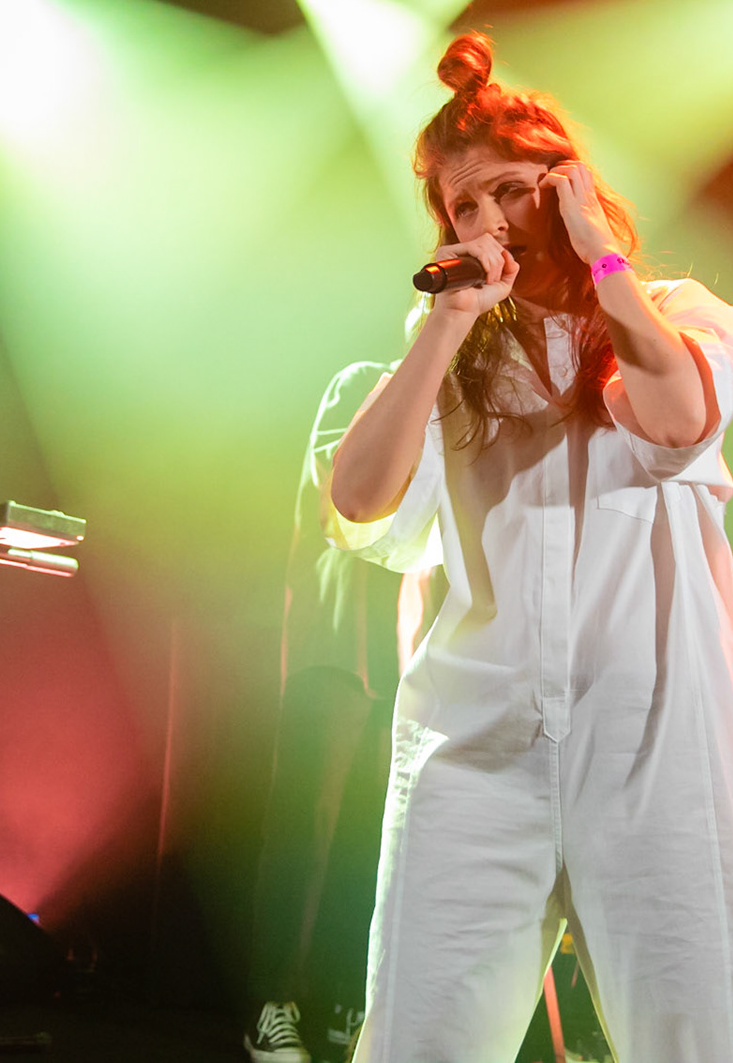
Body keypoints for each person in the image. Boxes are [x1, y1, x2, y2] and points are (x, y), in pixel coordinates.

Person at [325, 32, 733, 1062]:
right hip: (475, 743)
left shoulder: (678, 320)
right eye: (463, 208)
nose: (491, 222)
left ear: (571, 187)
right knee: (422, 1039)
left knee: (703, 1033)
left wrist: (605, 263)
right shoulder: (447, 351)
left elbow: (674, 421)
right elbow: (359, 499)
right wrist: (444, 324)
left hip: (653, 742)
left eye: (513, 192)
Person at [245, 360, 441, 1063]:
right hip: (335, 648)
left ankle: (341, 998)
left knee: (375, 838)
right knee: (308, 833)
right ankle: (272, 1004)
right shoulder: (368, 379)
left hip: (404, 660)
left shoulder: (467, 403)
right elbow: (345, 502)